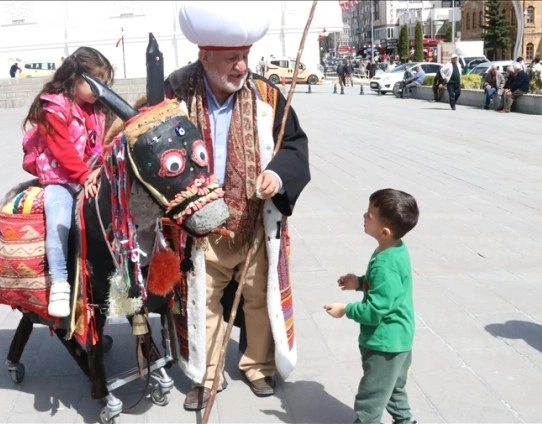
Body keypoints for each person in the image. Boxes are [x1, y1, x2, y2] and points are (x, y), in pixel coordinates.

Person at [167, 2, 311, 411]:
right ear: (205, 56)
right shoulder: (175, 91)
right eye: (231, 58)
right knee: (202, 301)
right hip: (199, 227)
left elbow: (294, 145)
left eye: (245, 56)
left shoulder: (266, 94)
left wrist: (278, 175)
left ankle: (258, 366)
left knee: (258, 299)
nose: (241, 66)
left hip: (253, 222)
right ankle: (205, 374)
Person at [21, 46, 113, 317]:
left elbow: (105, 143)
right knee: (58, 220)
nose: (101, 88)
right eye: (96, 81)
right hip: (61, 179)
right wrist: (84, 177)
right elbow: (63, 150)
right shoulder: (53, 108)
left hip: (91, 174)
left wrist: (101, 170)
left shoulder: (98, 109)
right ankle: (60, 283)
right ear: (76, 78)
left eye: (105, 82)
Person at [324, 188, 419, 424]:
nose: (364, 216)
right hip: (400, 339)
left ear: (384, 231)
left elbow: (374, 311)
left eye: (369, 215)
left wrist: (345, 310)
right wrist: (359, 282)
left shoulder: (384, 264)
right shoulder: (395, 249)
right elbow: (387, 289)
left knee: (371, 398)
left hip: (383, 345)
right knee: (394, 389)